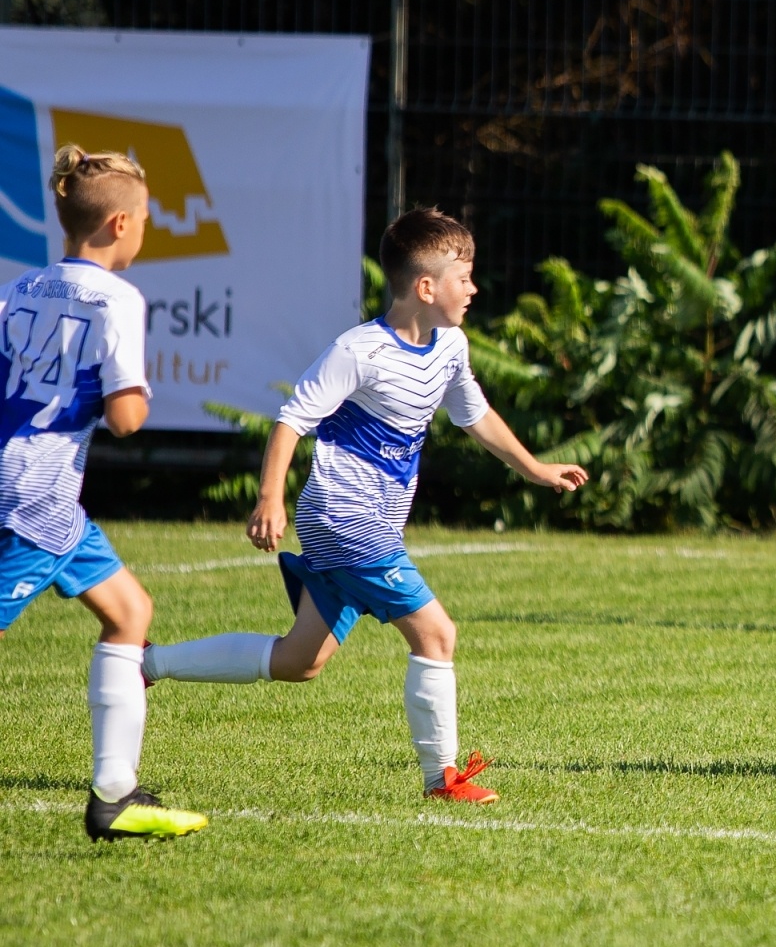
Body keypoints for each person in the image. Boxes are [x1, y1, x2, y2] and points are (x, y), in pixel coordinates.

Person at [143, 208, 589, 804]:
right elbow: (291, 420)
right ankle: (442, 780)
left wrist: (535, 468)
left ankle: (149, 665)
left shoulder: (450, 345)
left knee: (299, 660)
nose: (475, 288)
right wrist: (270, 499)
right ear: (426, 288)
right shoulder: (360, 351)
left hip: (371, 524)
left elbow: (472, 413)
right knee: (436, 635)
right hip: (343, 518)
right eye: (465, 277)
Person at [0, 146, 208, 840]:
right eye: (146, 219)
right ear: (121, 224)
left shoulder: (26, 286)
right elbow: (125, 417)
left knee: (129, 611)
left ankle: (115, 796)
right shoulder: (118, 299)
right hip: (31, 498)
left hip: (47, 497)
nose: (146, 232)